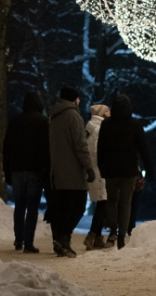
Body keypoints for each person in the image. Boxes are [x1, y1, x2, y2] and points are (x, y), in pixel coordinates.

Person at [98, 93, 154, 249]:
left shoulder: (106, 124)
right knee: (126, 203)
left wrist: (101, 167)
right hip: (129, 171)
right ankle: (122, 236)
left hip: (110, 170)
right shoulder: (135, 124)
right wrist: (149, 170)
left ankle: (113, 231)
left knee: (111, 201)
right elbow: (144, 149)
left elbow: (100, 148)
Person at [46, 86, 94, 258]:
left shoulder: (54, 116)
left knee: (64, 208)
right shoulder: (73, 116)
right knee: (79, 206)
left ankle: (61, 241)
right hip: (73, 171)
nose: (80, 101)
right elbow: (81, 145)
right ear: (74, 99)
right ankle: (63, 238)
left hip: (57, 171)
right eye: (78, 98)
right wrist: (88, 167)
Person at [2, 90, 50, 253]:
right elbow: (47, 149)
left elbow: (6, 148)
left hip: (16, 170)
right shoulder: (44, 122)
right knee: (32, 208)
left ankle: (18, 240)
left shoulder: (15, 122)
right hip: (35, 171)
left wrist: (7, 170)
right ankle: (28, 242)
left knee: (19, 206)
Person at [83, 103, 112, 250]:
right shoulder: (100, 129)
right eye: (107, 110)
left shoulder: (91, 128)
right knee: (102, 203)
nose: (110, 112)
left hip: (94, 171)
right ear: (101, 113)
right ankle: (92, 234)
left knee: (100, 203)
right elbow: (98, 152)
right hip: (100, 171)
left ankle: (98, 239)